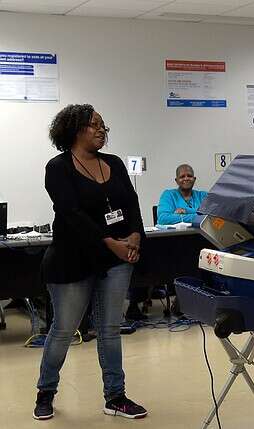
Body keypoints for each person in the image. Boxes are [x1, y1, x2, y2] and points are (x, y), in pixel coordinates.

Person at [34, 104, 147, 421]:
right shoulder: (58, 168)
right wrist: (110, 243)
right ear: (74, 130)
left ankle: (116, 396)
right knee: (64, 330)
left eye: (103, 126)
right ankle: (45, 392)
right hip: (73, 260)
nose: (101, 130)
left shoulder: (113, 163)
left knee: (110, 329)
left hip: (117, 259)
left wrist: (136, 235)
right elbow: (72, 214)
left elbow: (131, 202)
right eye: (94, 125)